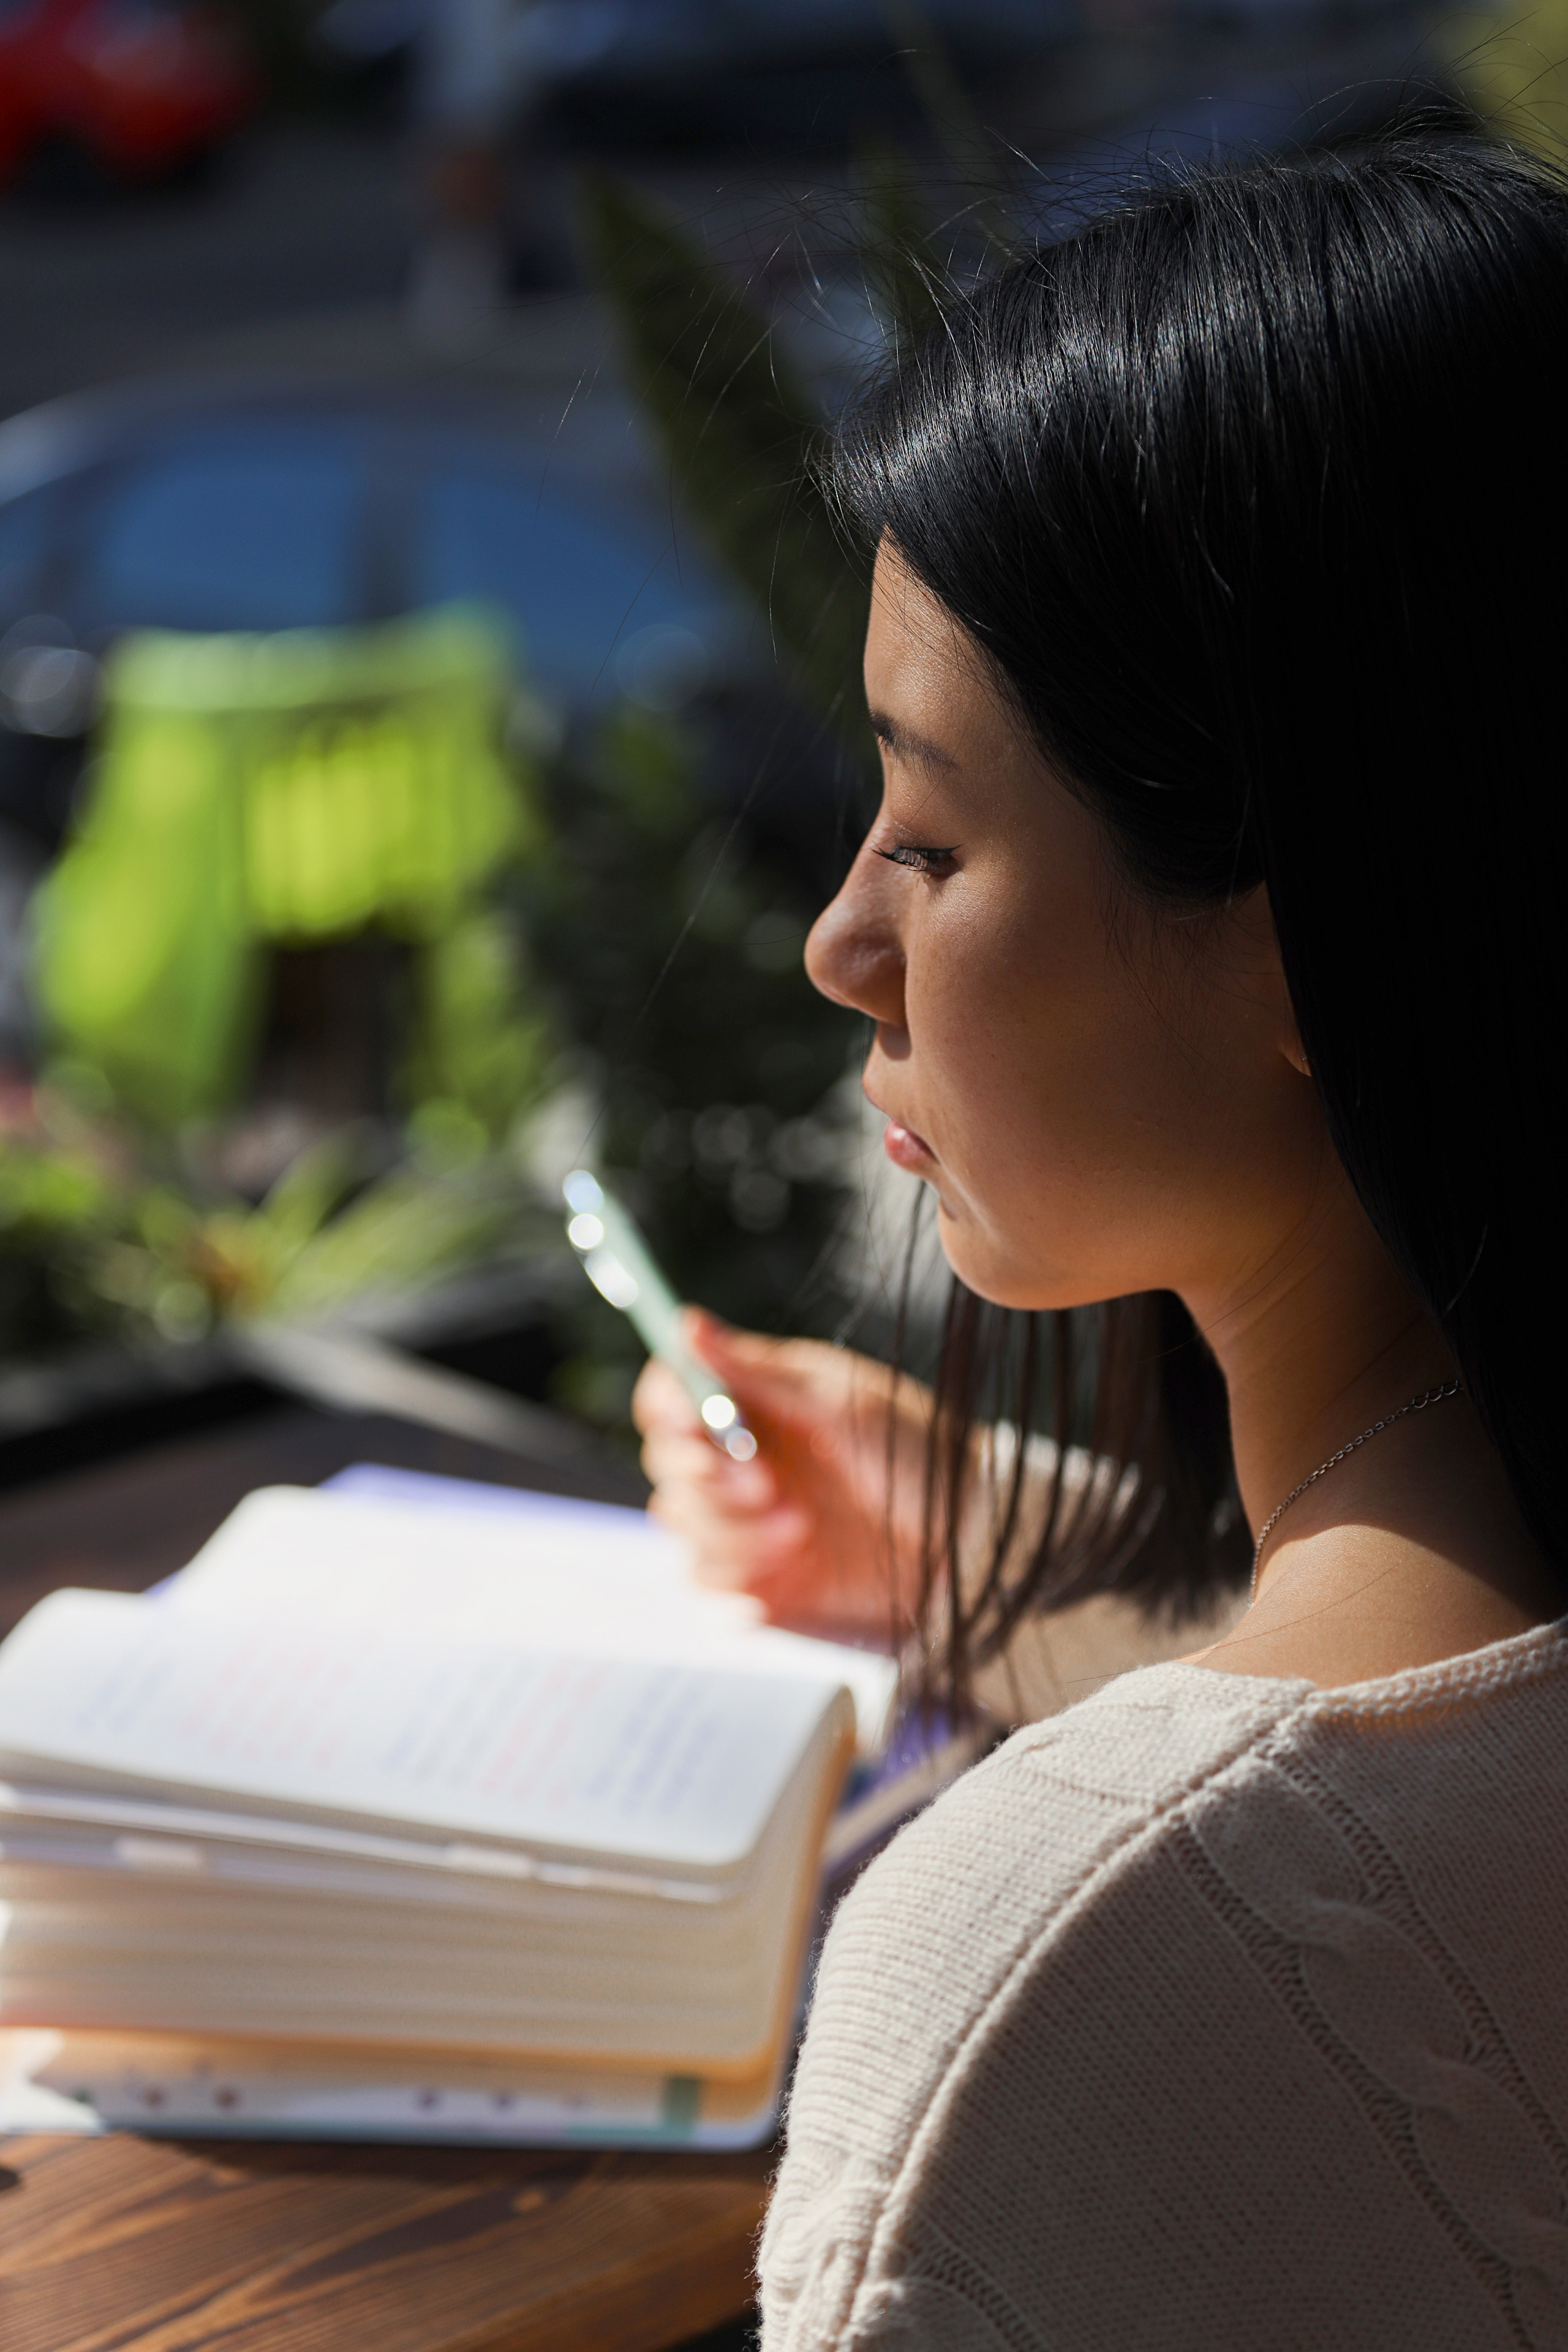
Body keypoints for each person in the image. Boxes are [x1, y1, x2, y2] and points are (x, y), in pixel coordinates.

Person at [634, 131, 1568, 2346]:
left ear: (1305, 940)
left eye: (934, 838)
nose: (836, 937)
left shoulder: (1040, 1976)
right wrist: (978, 1527)